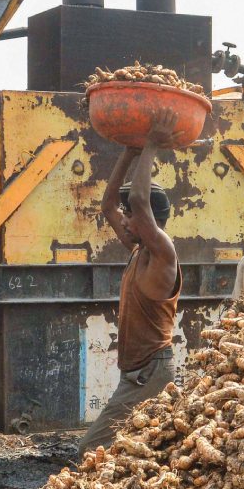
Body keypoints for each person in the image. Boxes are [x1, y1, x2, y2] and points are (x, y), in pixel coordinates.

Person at [78, 108, 182, 459]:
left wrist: (151, 146)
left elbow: (138, 199)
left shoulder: (162, 253)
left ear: (148, 221)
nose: (123, 218)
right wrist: (128, 151)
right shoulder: (139, 250)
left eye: (131, 216)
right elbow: (109, 205)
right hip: (137, 373)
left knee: (91, 450)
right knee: (137, 451)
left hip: (150, 373)